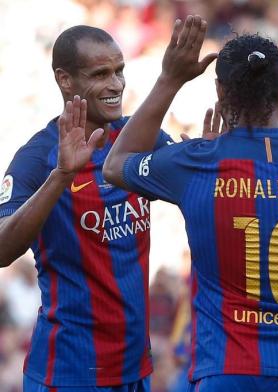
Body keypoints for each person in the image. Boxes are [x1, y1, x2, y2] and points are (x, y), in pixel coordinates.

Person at [103, 13, 278, 392]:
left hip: (227, 373)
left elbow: (114, 165)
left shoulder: (194, 163)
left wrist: (169, 78)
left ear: (220, 93)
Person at [0, 25, 173, 392]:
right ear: (65, 79)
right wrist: (62, 176)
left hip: (136, 370)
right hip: (68, 373)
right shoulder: (37, 158)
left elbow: (197, 192)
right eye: (100, 74)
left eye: (119, 70)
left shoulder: (142, 139)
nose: (116, 85)